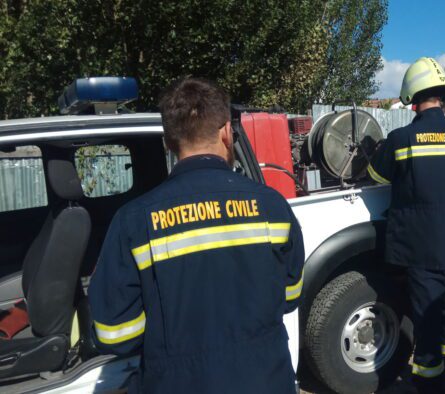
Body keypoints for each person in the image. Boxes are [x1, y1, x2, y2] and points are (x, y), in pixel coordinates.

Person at [88, 78, 304, 394]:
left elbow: (115, 335)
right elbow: (289, 297)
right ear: (227, 133)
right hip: (268, 382)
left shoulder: (133, 222)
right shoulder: (272, 205)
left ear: (168, 142)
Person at [367, 57, 445, 393]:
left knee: (427, 323)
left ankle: (430, 383)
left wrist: (374, 151)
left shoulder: (402, 138)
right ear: (442, 95)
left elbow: (375, 175)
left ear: (413, 97)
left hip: (422, 247)